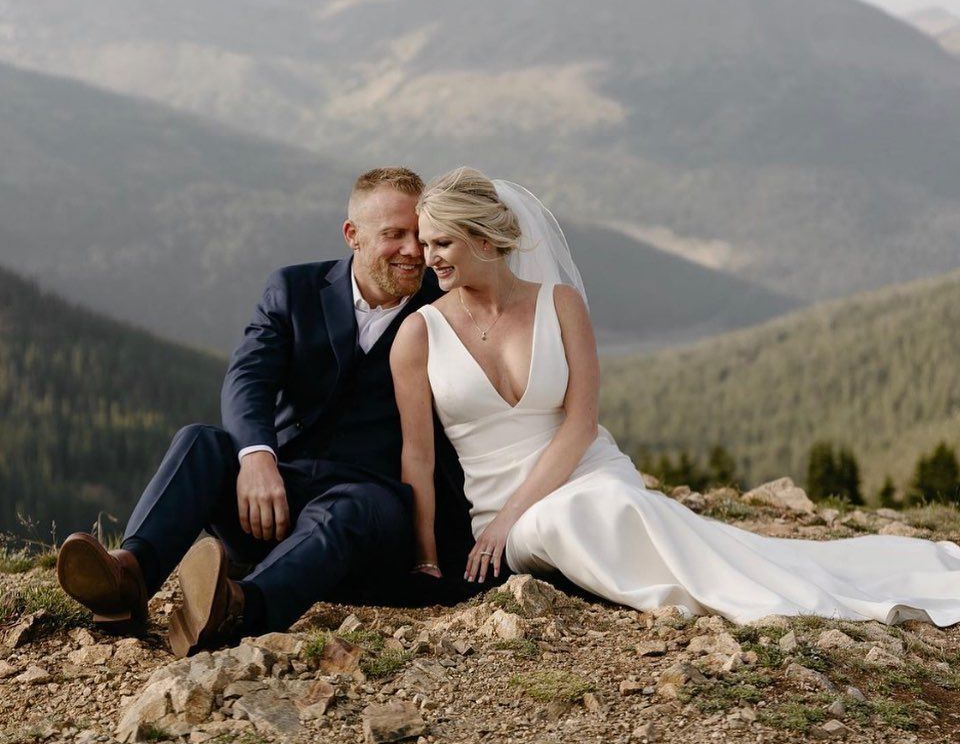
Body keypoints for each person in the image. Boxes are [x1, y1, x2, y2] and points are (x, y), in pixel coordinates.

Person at [391, 167, 960, 625]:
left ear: (485, 239)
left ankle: (775, 592)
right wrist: (427, 557)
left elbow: (581, 425)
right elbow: (417, 455)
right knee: (575, 519)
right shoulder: (420, 334)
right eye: (425, 242)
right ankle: (736, 578)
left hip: (586, 473)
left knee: (600, 504)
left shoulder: (560, 304)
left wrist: (506, 522)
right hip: (504, 509)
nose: (429, 257)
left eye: (443, 242)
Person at [56, 166, 475, 656]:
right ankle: (129, 576)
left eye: (418, 237)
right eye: (394, 235)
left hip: (372, 508)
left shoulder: (446, 307)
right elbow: (248, 377)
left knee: (346, 508)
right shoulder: (294, 289)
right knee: (200, 440)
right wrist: (257, 458)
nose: (412, 250)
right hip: (275, 500)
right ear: (353, 236)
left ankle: (239, 607)